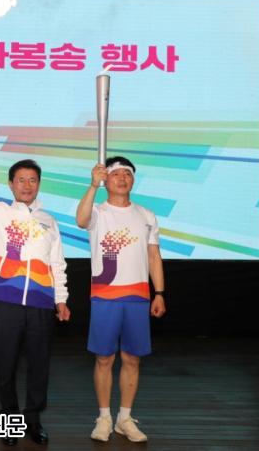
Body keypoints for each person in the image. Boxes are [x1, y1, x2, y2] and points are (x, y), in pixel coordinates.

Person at [0, 125, 70, 446]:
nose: (26, 185)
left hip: (41, 302)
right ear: (11, 184)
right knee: (5, 364)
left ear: (39, 185)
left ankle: (33, 419)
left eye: (32, 180)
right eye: (21, 180)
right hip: (5, 301)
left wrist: (61, 299)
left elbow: (57, 263)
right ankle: (8, 418)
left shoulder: (49, 221)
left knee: (39, 365)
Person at [75, 157, 166, 443]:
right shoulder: (98, 212)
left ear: (133, 180)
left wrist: (159, 293)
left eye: (128, 174)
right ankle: (104, 417)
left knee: (132, 358)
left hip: (138, 296)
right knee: (104, 358)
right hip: (106, 296)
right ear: (107, 180)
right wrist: (92, 186)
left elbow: (154, 256)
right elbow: (80, 220)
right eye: (116, 174)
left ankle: (124, 418)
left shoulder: (146, 215)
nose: (123, 178)